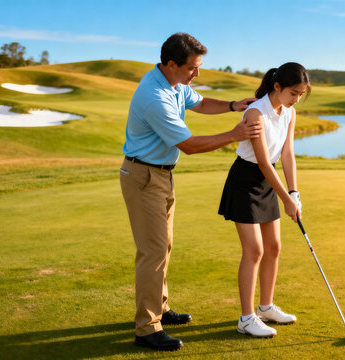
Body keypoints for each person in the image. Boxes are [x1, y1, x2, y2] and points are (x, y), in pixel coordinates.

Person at [120, 32, 260, 351]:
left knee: (163, 247)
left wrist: (232, 105)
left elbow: (200, 103)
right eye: (192, 68)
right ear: (171, 64)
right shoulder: (154, 97)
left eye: (198, 67)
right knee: (153, 252)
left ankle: (160, 308)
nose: (196, 74)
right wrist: (235, 133)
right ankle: (147, 328)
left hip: (161, 174)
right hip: (143, 176)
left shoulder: (176, 83)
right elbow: (190, 145)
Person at [218, 62, 310, 338]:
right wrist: (286, 199)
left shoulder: (289, 113)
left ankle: (266, 307)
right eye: (293, 93)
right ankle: (246, 318)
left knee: (274, 246)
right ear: (277, 86)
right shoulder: (255, 113)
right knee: (255, 250)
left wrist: (294, 193)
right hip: (245, 181)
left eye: (301, 95)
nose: (296, 100)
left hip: (268, 182)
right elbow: (262, 163)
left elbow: (287, 154)